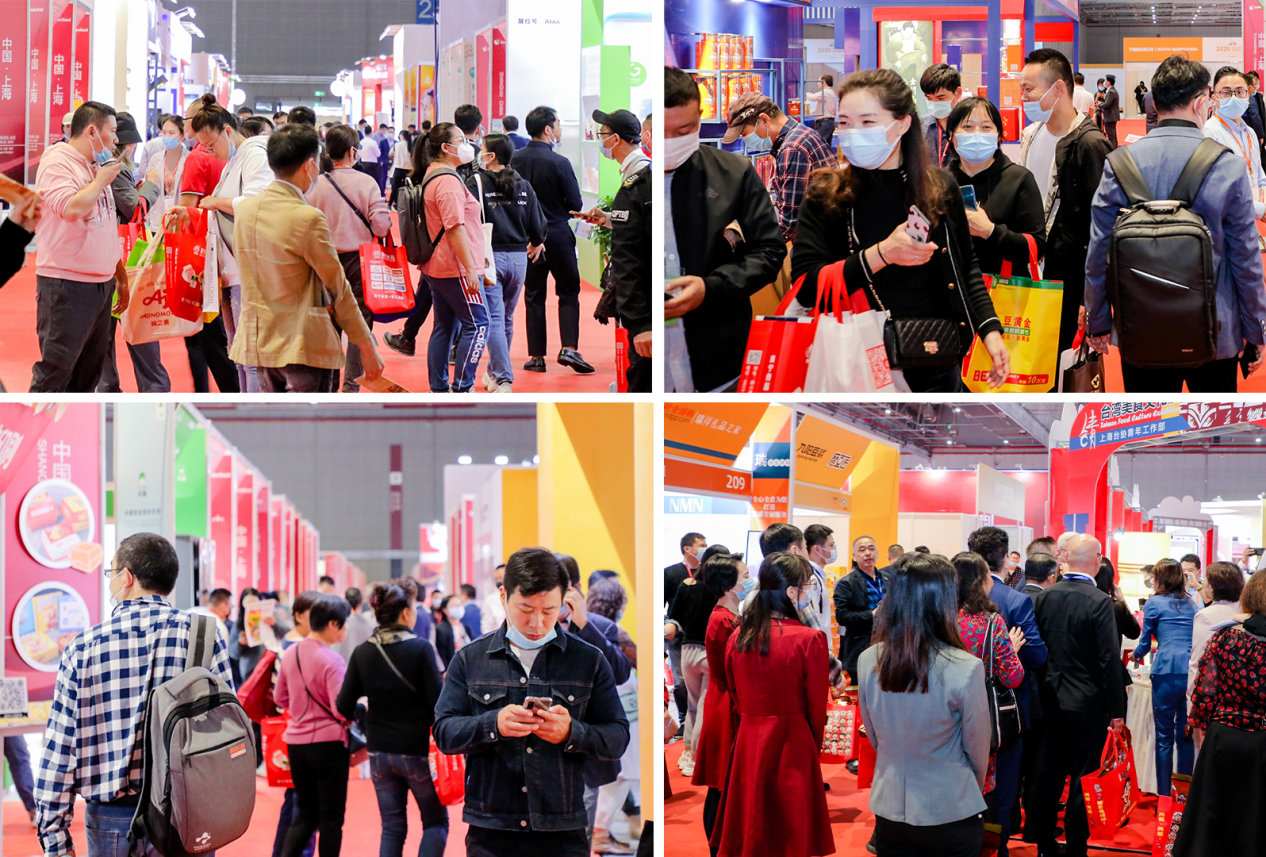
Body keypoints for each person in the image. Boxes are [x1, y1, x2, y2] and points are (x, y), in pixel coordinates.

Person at [792, 68, 1009, 393]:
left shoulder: (939, 187)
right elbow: (806, 287)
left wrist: (990, 331)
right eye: (844, 123)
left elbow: (966, 266)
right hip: (856, 363)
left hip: (938, 357)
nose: (852, 133)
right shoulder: (827, 195)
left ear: (903, 124)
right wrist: (881, 255)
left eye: (867, 122)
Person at [33, 533, 234, 857]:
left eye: (111, 573)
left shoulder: (84, 648)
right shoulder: (204, 636)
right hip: (188, 815)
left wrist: (55, 839)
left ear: (126, 577)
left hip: (111, 819)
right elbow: (225, 729)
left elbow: (61, 750)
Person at [1085, 55, 1266, 392]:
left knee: (1148, 425)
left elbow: (1098, 253)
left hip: (1140, 329)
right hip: (1216, 331)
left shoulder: (1120, 163)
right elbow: (1246, 259)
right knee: (1210, 425)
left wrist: (1097, 321)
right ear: (1201, 103)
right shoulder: (1226, 165)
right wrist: (1256, 329)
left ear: (1156, 102)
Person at [433, 547, 629, 857]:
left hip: (563, 830)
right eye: (526, 609)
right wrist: (493, 723)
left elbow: (617, 737)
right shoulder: (471, 659)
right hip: (492, 830)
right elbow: (444, 732)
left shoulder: (588, 660)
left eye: (549, 610)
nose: (537, 623)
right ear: (503, 596)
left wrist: (572, 733)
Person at [230, 124, 384, 392]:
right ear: (310, 165)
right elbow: (338, 289)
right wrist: (366, 345)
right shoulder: (307, 218)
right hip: (301, 344)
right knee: (311, 418)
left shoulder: (246, 210)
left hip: (259, 341)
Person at [663, 66, 785, 392]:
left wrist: (711, 288)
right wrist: (638, 322)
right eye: (663, 132)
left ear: (698, 118)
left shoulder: (734, 173)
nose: (671, 142)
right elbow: (626, 260)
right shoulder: (638, 185)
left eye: (683, 130)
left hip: (721, 355)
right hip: (652, 359)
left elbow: (770, 250)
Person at [714, 552, 833, 857]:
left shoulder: (739, 637)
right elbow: (817, 706)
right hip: (793, 740)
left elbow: (735, 694)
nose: (810, 592)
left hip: (749, 737)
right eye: (808, 585)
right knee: (792, 830)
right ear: (791, 592)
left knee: (754, 824)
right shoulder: (810, 639)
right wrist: (812, 743)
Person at [1029, 535, 1126, 857]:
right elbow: (1109, 660)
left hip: (1049, 700)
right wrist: (1117, 710)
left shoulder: (1045, 596)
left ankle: (1044, 843)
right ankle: (1076, 847)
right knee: (1083, 778)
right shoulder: (1099, 601)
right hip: (1087, 704)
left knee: (1048, 775)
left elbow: (1037, 649)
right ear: (1097, 561)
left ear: (1065, 559)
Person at [336, 580, 448, 857]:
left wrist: (363, 712)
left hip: (379, 751)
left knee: (392, 827)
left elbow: (343, 706)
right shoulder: (421, 649)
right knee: (435, 822)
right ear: (405, 613)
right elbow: (439, 703)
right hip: (417, 750)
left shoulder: (363, 651)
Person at [28, 101, 128, 393]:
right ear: (92, 131)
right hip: (67, 283)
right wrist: (100, 181)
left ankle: (72, 422)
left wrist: (119, 276)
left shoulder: (96, 167)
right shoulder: (58, 161)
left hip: (101, 284)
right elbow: (71, 209)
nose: (116, 140)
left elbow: (106, 227)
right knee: (56, 371)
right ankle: (32, 422)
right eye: (112, 131)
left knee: (89, 373)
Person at [1018, 48, 1111, 359]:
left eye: (1028, 89)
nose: (1023, 97)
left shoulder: (1090, 144)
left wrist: (1091, 297)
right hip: (1031, 276)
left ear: (1058, 88)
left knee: (1064, 366)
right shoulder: (1031, 135)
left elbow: (1102, 227)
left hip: (1069, 284)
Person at [1173, 570, 1266, 857]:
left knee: (1213, 821)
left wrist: (1200, 723)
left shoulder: (1225, 637)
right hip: (1261, 739)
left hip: (1224, 737)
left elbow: (1205, 690)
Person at [965, 528, 1046, 855]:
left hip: (957, 711)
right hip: (1003, 714)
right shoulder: (1013, 601)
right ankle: (995, 848)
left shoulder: (947, 604)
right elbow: (1036, 657)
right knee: (1002, 789)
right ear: (1005, 559)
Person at [188, 93, 275, 394]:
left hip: (248, 268)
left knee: (250, 356)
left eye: (211, 145)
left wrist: (214, 202)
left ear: (227, 131)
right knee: (239, 354)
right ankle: (245, 403)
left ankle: (255, 410)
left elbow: (256, 203)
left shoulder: (254, 153)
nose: (209, 152)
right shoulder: (234, 160)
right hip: (231, 270)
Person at [721, 93, 833, 306]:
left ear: (764, 119)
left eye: (745, 133)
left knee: (796, 316)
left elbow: (790, 222)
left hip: (819, 251)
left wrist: (750, 246)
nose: (746, 140)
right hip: (822, 245)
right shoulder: (799, 135)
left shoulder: (792, 148)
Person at [403, 122, 490, 392]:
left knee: (444, 327)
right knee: (479, 325)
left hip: (438, 266)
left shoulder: (434, 174)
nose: (467, 145)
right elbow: (454, 227)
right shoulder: (448, 181)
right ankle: (463, 386)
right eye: (461, 140)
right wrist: (470, 268)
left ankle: (439, 388)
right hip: (455, 267)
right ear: (445, 147)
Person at [306, 124, 392, 392]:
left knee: (328, 325)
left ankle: (329, 386)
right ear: (353, 151)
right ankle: (351, 387)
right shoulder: (366, 182)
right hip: (359, 262)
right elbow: (381, 227)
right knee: (359, 324)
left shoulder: (314, 184)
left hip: (322, 262)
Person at [508, 106, 594, 375]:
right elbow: (575, 203)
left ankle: (536, 357)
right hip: (557, 233)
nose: (560, 129)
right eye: (558, 124)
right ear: (548, 129)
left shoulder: (514, 160)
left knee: (533, 295)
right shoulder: (560, 162)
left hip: (526, 237)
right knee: (568, 290)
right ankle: (569, 348)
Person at [467, 132, 547, 393]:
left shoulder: (476, 182)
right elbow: (538, 225)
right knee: (506, 318)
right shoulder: (523, 185)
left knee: (494, 319)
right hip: (519, 260)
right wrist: (536, 242)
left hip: (490, 258)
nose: (479, 154)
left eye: (482, 150)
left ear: (491, 156)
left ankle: (503, 378)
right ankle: (494, 373)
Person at [96, 110, 168, 394]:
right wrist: (152, 184)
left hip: (106, 257)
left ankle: (110, 392)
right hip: (126, 257)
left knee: (103, 337)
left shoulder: (102, 165)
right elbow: (135, 209)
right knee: (140, 328)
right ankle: (154, 393)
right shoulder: (115, 168)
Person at [275, 593, 352, 857]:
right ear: (332, 624)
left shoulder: (291, 653)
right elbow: (341, 710)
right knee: (331, 818)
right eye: (344, 624)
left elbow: (279, 698)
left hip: (296, 744)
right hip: (329, 745)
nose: (346, 629)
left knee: (305, 814)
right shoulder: (332, 660)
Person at [945, 96, 1047, 277]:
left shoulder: (1019, 179)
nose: (977, 134)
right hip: (954, 288)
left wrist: (990, 231)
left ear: (999, 135)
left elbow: (1036, 248)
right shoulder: (939, 183)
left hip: (1005, 289)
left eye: (986, 127)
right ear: (952, 135)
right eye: (967, 126)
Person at [591, 109, 652, 391]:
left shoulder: (641, 174)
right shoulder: (633, 171)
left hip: (642, 291)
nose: (600, 140)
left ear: (616, 139)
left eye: (602, 135)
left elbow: (637, 241)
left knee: (642, 367)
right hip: (639, 293)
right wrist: (607, 218)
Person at [1131, 558, 1197, 796]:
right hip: (1189, 673)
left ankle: (1164, 798)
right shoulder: (1191, 604)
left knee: (1163, 738)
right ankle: (1183, 798)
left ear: (1160, 578)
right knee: (1185, 736)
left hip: (1165, 672)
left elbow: (1145, 642)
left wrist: (1136, 656)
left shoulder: (1154, 602)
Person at [665, 546, 726, 778]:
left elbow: (675, 618)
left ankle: (688, 751)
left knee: (693, 705)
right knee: (704, 707)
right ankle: (695, 755)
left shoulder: (687, 585)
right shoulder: (720, 591)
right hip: (710, 651)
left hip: (687, 650)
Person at [1204, 67, 1266, 224]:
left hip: (1248, 217)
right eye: (1226, 93)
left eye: (1239, 92)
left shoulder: (1249, 132)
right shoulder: (1210, 134)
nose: (1234, 97)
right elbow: (1215, 189)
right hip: (1224, 222)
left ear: (1248, 96)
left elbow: (1259, 175)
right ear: (1215, 98)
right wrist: (1259, 209)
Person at [1187, 561, 1244, 707]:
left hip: (1215, 693)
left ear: (1212, 586)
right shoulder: (1246, 611)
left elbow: (1198, 660)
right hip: (1241, 690)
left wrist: (1191, 701)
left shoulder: (1206, 615)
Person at [834, 535, 891, 682]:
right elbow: (842, 616)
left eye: (871, 549)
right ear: (854, 556)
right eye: (862, 550)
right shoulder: (846, 583)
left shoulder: (889, 579)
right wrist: (872, 615)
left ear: (877, 553)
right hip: (860, 647)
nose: (868, 553)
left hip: (888, 645)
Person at [666, 532, 706, 731]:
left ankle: (699, 721)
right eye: (701, 545)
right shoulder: (671, 573)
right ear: (687, 549)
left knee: (703, 682)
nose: (704, 549)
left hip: (702, 636)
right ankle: (684, 720)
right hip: (678, 638)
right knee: (681, 681)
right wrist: (668, 626)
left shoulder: (707, 574)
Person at [920, 63, 964, 167]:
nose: (934, 103)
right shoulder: (919, 125)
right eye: (929, 98)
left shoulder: (969, 126)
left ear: (957, 93)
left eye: (941, 98)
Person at [332, 587, 374, 662]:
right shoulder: (369, 623)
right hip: (361, 663)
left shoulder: (336, 622)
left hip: (340, 663)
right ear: (361, 602)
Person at [435, 594, 472, 669]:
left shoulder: (465, 627)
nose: (458, 608)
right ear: (445, 610)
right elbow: (441, 654)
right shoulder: (440, 630)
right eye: (455, 606)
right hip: (452, 669)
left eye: (460, 605)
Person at [388, 129, 413, 208]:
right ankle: (409, 205)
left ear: (402, 136)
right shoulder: (411, 145)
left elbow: (390, 154)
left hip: (398, 169)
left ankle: (390, 204)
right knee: (409, 188)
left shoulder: (397, 145)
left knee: (395, 187)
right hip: (409, 170)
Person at [482, 564, 508, 634]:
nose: (498, 581)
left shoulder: (517, 597)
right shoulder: (490, 600)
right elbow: (486, 627)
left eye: (500, 577)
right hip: (498, 637)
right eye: (496, 578)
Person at [1100, 75, 1121, 147]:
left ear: (1108, 82)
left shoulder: (1111, 92)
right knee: (1112, 134)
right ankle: (1115, 148)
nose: (1104, 82)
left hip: (1110, 116)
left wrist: (1099, 105)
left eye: (1105, 81)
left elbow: (1107, 104)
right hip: (1111, 116)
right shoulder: (1111, 91)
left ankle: (1113, 149)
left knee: (1111, 135)